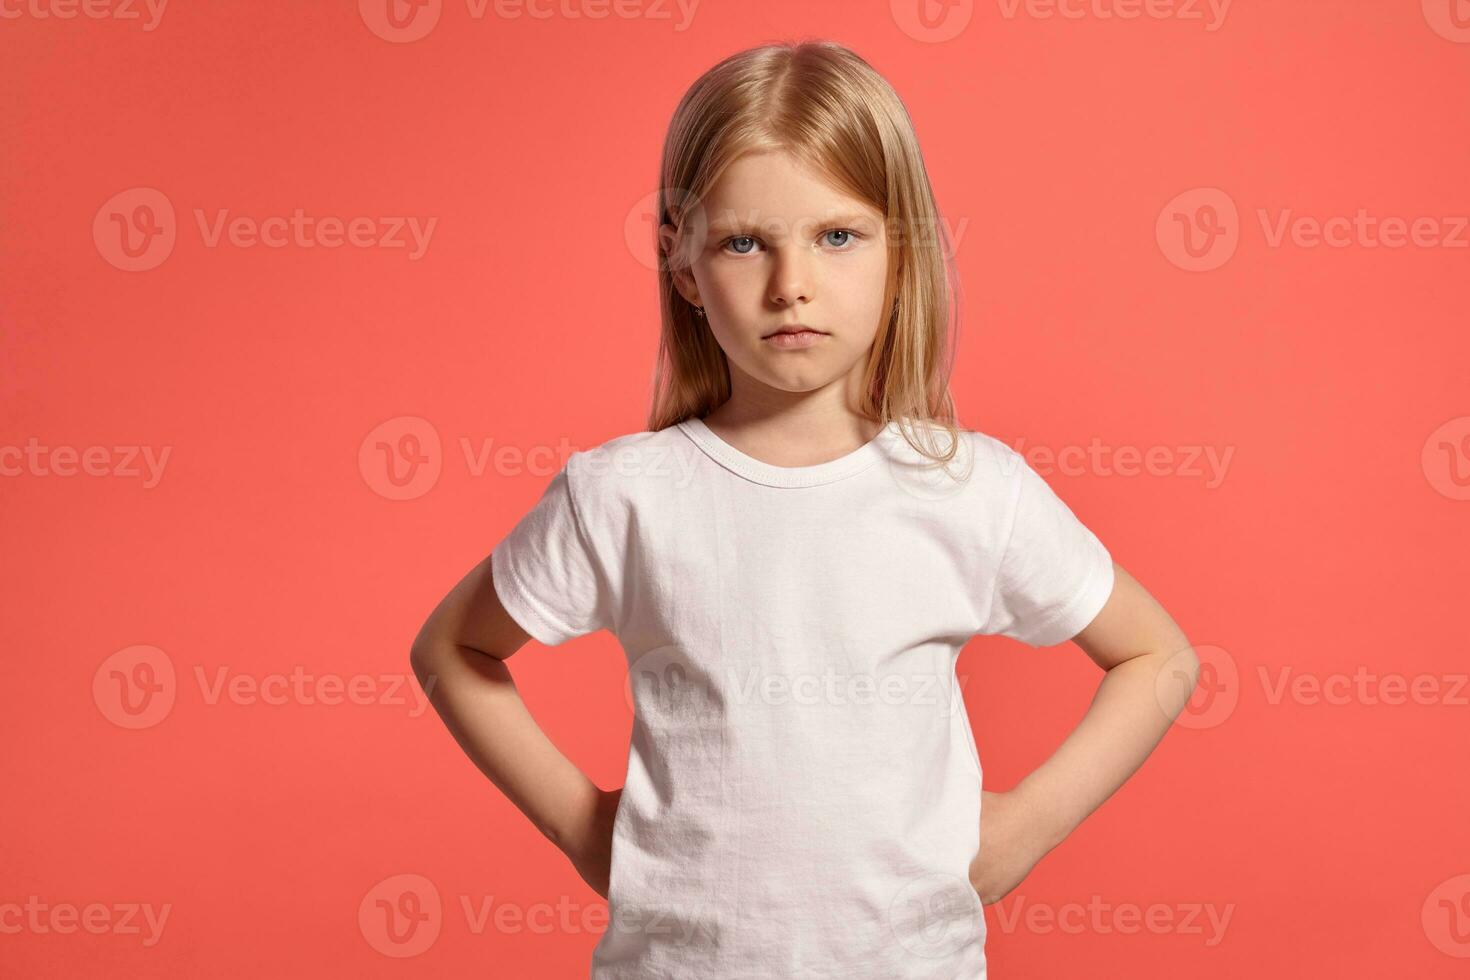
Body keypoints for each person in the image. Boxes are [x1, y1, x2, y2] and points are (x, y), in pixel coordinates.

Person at [409, 39, 1198, 979]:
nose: (792, 283)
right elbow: (453, 649)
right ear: (684, 265)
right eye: (745, 242)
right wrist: (584, 830)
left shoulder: (969, 489)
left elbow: (1158, 656)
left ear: (898, 254)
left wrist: (1027, 826)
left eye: (837, 236)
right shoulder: (624, 495)